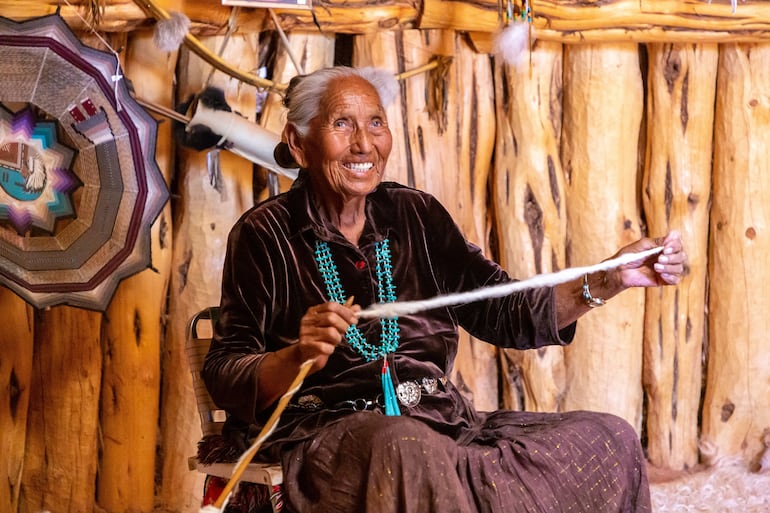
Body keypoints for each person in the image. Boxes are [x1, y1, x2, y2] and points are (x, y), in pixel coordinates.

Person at [202, 65, 686, 513]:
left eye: (376, 123)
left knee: (608, 437)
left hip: (442, 424)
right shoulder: (265, 234)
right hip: (330, 440)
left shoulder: (416, 215)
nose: (364, 144)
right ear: (299, 142)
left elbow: (504, 310)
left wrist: (610, 277)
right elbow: (224, 372)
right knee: (407, 449)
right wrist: (296, 355)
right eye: (342, 124)